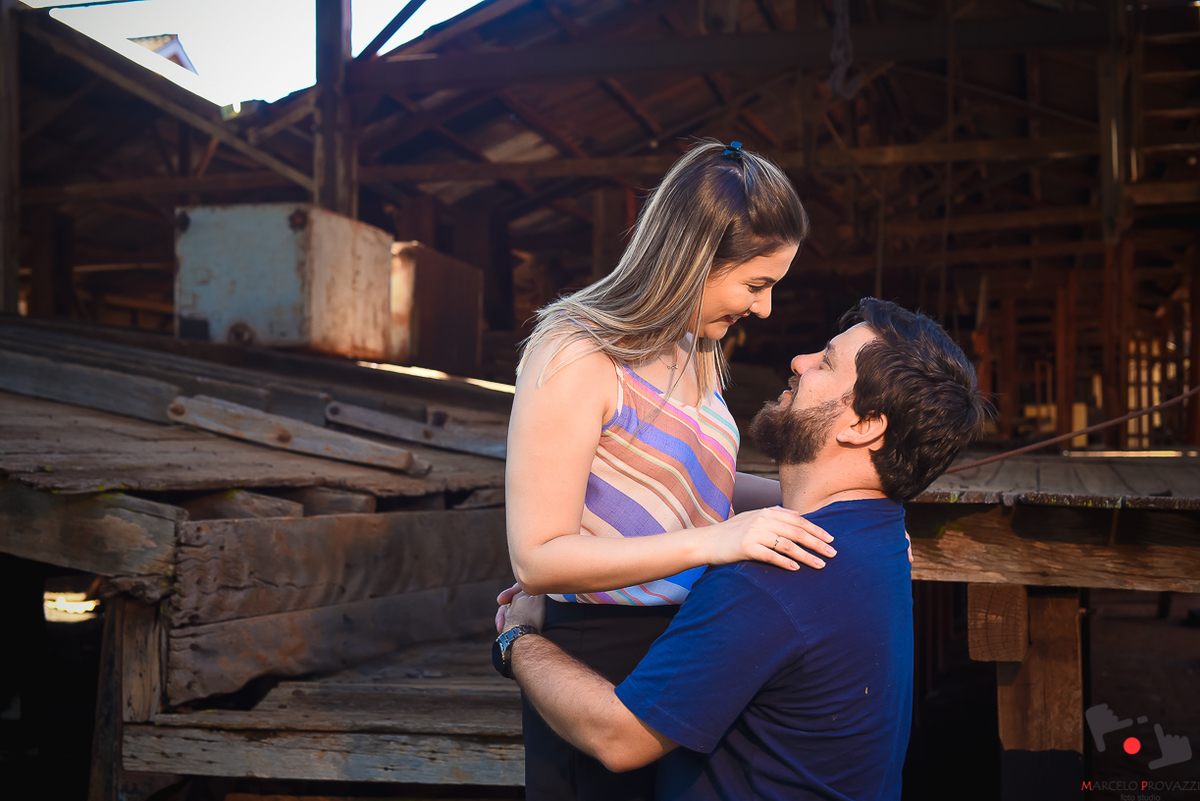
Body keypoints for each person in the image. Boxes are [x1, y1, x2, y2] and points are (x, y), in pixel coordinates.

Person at [496, 298, 990, 800]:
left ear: (864, 425)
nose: (799, 362)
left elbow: (618, 737)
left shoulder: (770, 577)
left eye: (825, 363)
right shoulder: (881, 535)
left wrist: (519, 640)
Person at [503, 140, 834, 800]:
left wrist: (835, 515)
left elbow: (695, 482)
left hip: (691, 643)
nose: (764, 308)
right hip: (601, 657)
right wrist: (718, 541)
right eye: (757, 285)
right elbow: (537, 559)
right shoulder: (577, 351)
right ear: (696, 259)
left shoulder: (696, 344)